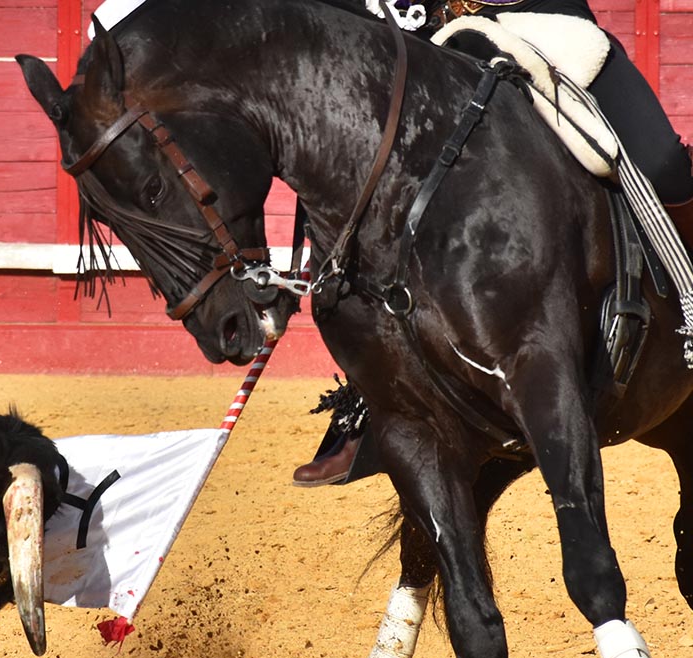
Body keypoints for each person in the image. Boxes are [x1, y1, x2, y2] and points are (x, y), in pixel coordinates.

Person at [293, 0, 693, 487]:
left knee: (665, 168)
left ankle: (687, 311)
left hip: (548, 26)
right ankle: (370, 402)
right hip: (444, 38)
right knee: (372, 183)